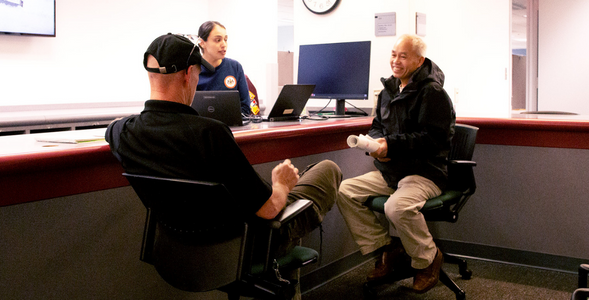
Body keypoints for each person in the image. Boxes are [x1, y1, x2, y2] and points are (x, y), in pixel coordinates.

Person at [105, 33, 341, 296]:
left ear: (150, 74)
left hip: (174, 244)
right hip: (241, 244)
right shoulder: (210, 134)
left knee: (299, 185)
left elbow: (113, 126)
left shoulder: (123, 132)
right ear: (188, 74)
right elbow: (268, 210)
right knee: (326, 170)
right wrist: (281, 185)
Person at [336, 34, 455, 293]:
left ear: (419, 60)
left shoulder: (433, 93)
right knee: (345, 191)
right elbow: (378, 127)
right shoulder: (388, 91)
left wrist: (392, 145)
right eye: (393, 54)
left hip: (425, 172)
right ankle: (388, 250)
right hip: (392, 171)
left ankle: (427, 259)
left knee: (396, 208)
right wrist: (376, 147)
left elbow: (434, 139)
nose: (395, 61)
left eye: (403, 56)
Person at [196, 21, 252, 116]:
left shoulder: (235, 67)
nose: (224, 45)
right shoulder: (192, 69)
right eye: (218, 40)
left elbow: (245, 107)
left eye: (225, 40)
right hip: (200, 126)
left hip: (230, 126)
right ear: (202, 43)